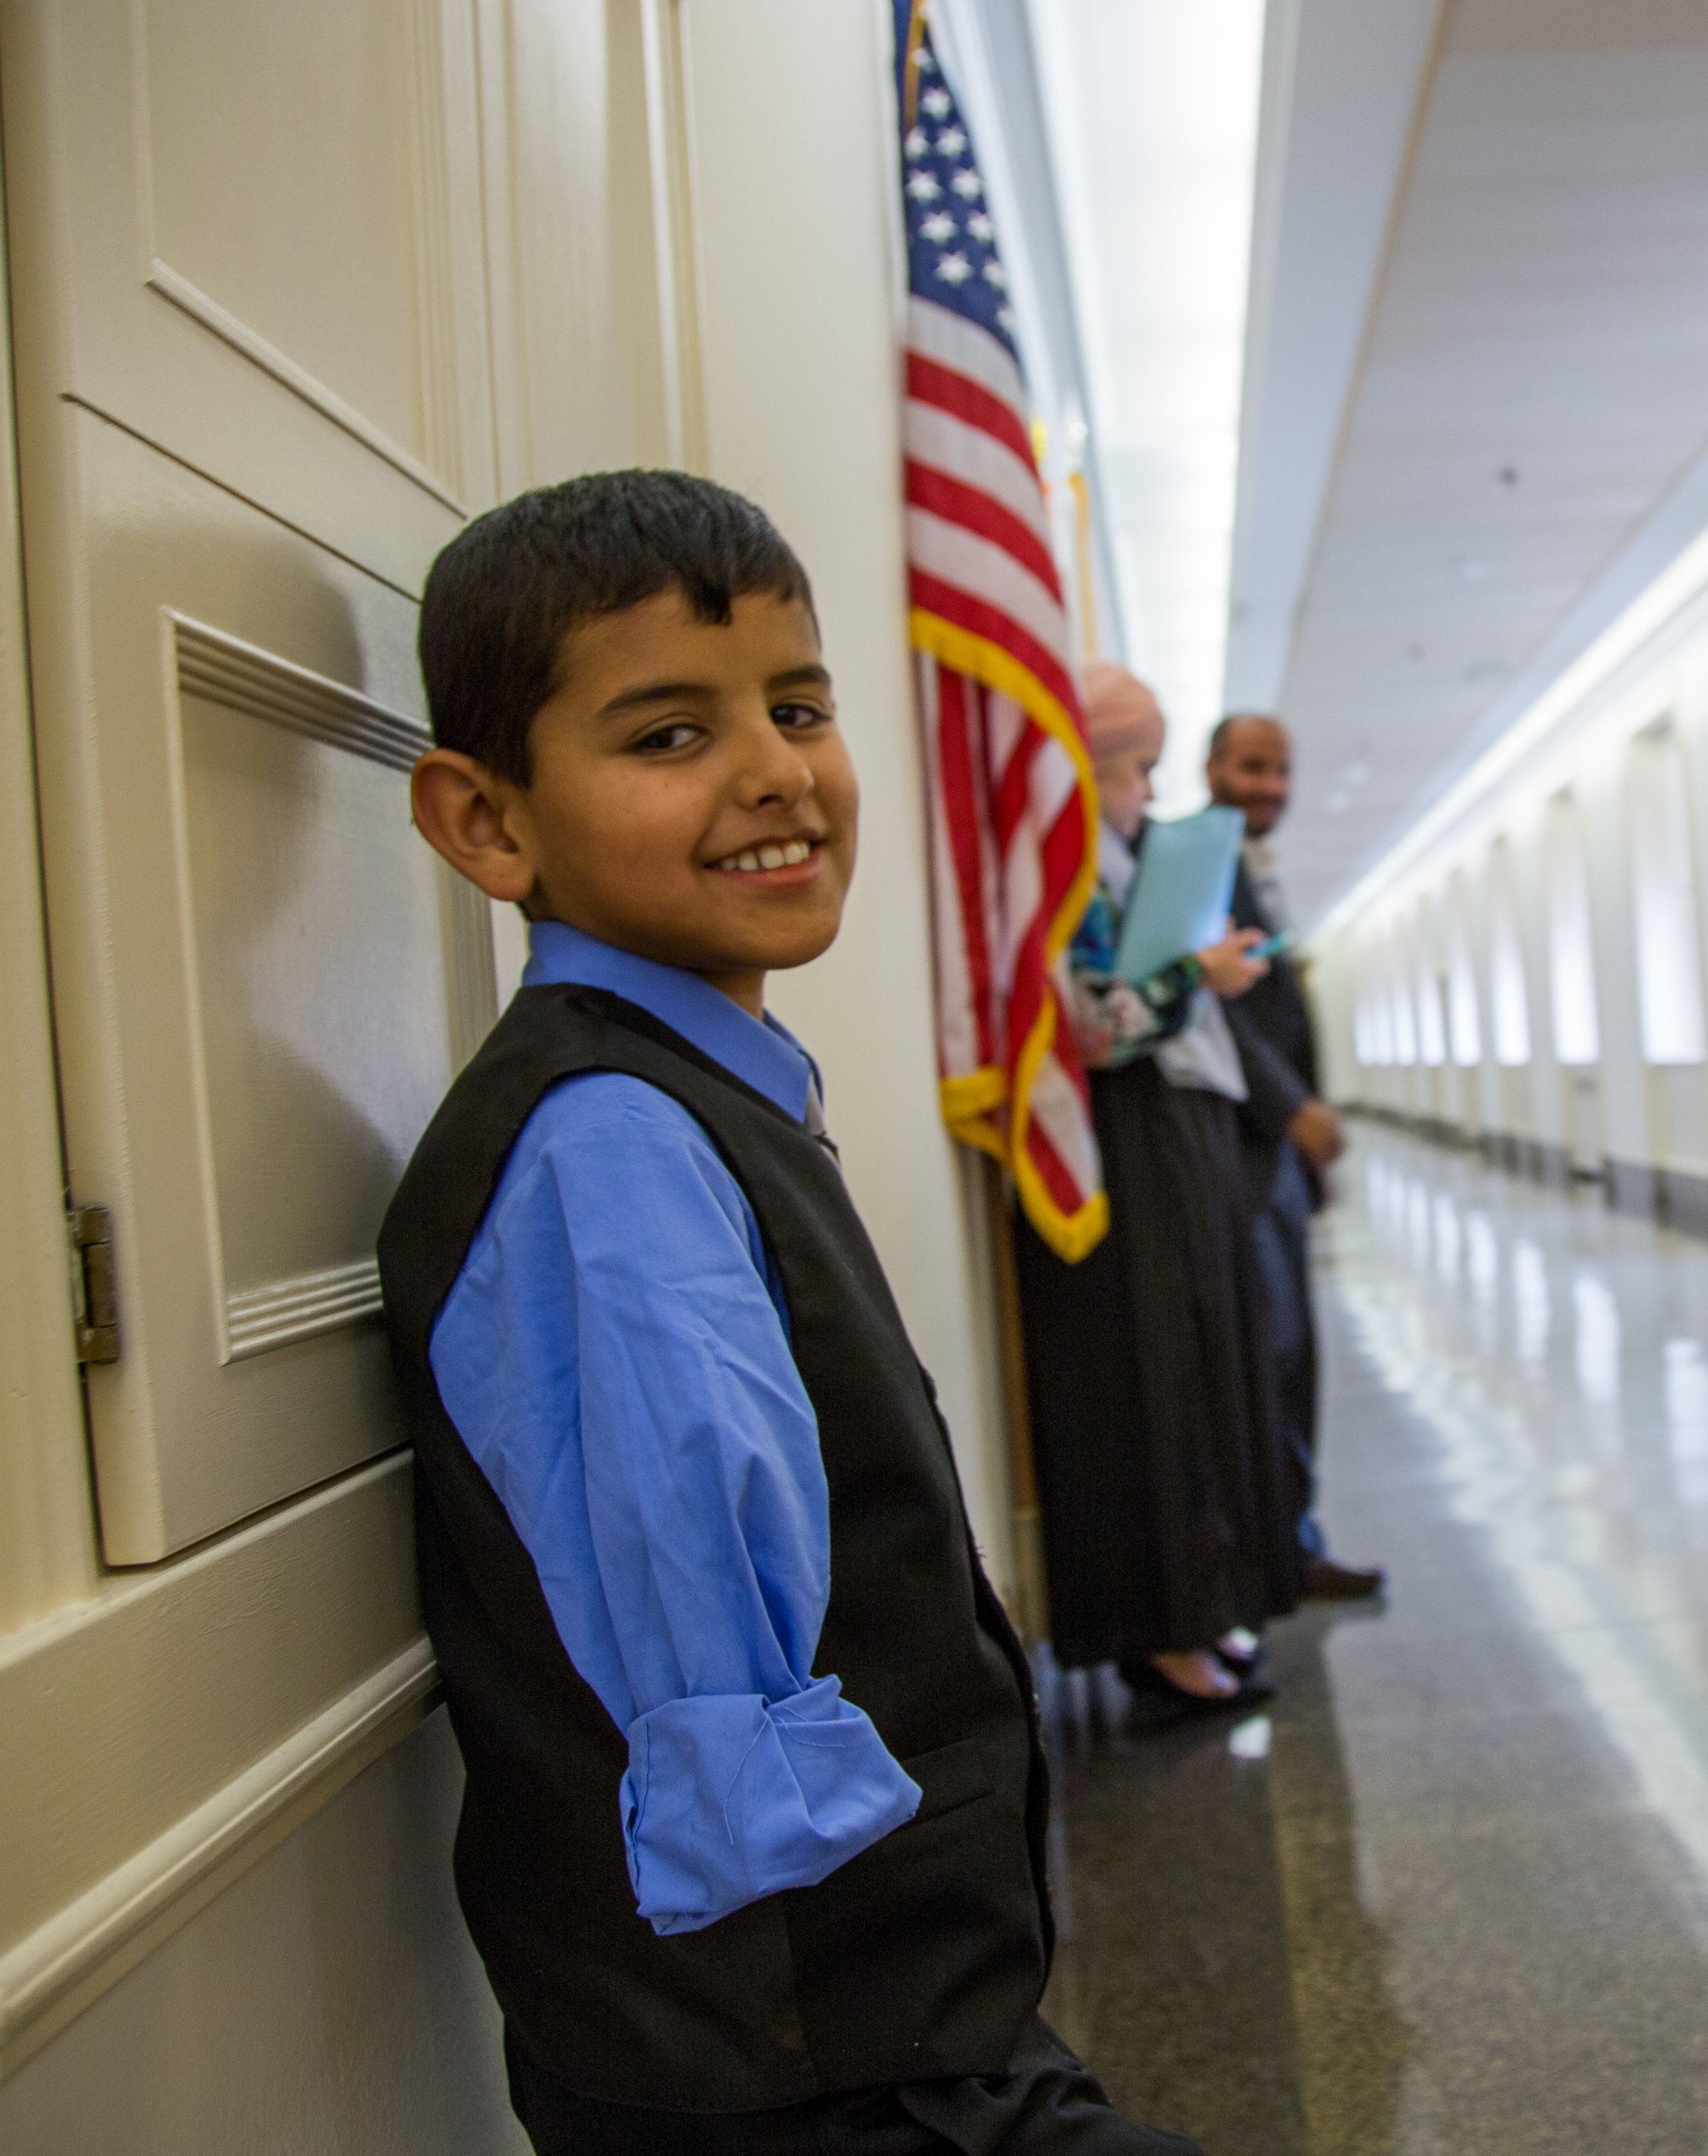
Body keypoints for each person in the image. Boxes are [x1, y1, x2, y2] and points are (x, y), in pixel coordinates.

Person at [378, 472, 1200, 2154]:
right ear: (488, 822)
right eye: (667, 732)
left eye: (797, 705)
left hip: (831, 2033)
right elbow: (715, 1688)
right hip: (821, 2062)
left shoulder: (685, 1093)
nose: (773, 770)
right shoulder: (608, 1146)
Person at [1012, 664, 1304, 1727]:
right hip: (1133, 1135)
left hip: (1182, 1125)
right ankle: (1163, 1629)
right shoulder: (1073, 863)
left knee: (1209, 1365)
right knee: (1160, 1377)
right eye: (1137, 766)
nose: (1146, 788)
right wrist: (1200, 979)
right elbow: (1095, 1022)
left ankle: (1206, 1604)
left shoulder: (1131, 855)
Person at [1206, 713, 1385, 1600]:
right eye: (1251, 766)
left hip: (1274, 1155)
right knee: (1273, 1350)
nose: (1269, 784)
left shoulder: (1249, 866)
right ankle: (1279, 1551)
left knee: (1291, 1351)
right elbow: (1226, 1017)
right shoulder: (1204, 861)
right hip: (1245, 1147)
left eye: (1280, 769)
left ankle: (1291, 1538)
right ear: (1210, 769)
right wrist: (1294, 1111)